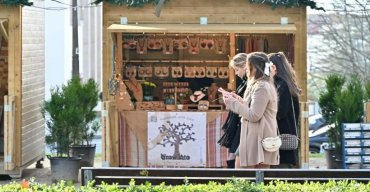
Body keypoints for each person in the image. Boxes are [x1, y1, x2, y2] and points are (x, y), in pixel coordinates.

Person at [220, 52, 279, 168]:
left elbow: (254, 115)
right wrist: (238, 100)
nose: (246, 69)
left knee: (245, 176)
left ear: (254, 68)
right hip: (255, 135)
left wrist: (232, 103)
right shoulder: (259, 84)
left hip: (258, 137)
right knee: (256, 177)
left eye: (248, 66)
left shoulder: (262, 86)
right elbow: (252, 107)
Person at [269, 52, 301, 167]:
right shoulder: (287, 83)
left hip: (281, 136)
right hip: (287, 132)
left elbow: (280, 112)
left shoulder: (281, 85)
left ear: (274, 67)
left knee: (280, 173)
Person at [218, 53, 248, 168]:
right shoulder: (245, 83)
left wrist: (235, 99)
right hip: (238, 121)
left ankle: (236, 181)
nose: (236, 73)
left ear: (245, 66)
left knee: (236, 155)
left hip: (242, 121)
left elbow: (248, 104)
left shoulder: (250, 83)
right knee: (234, 154)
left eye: (237, 69)